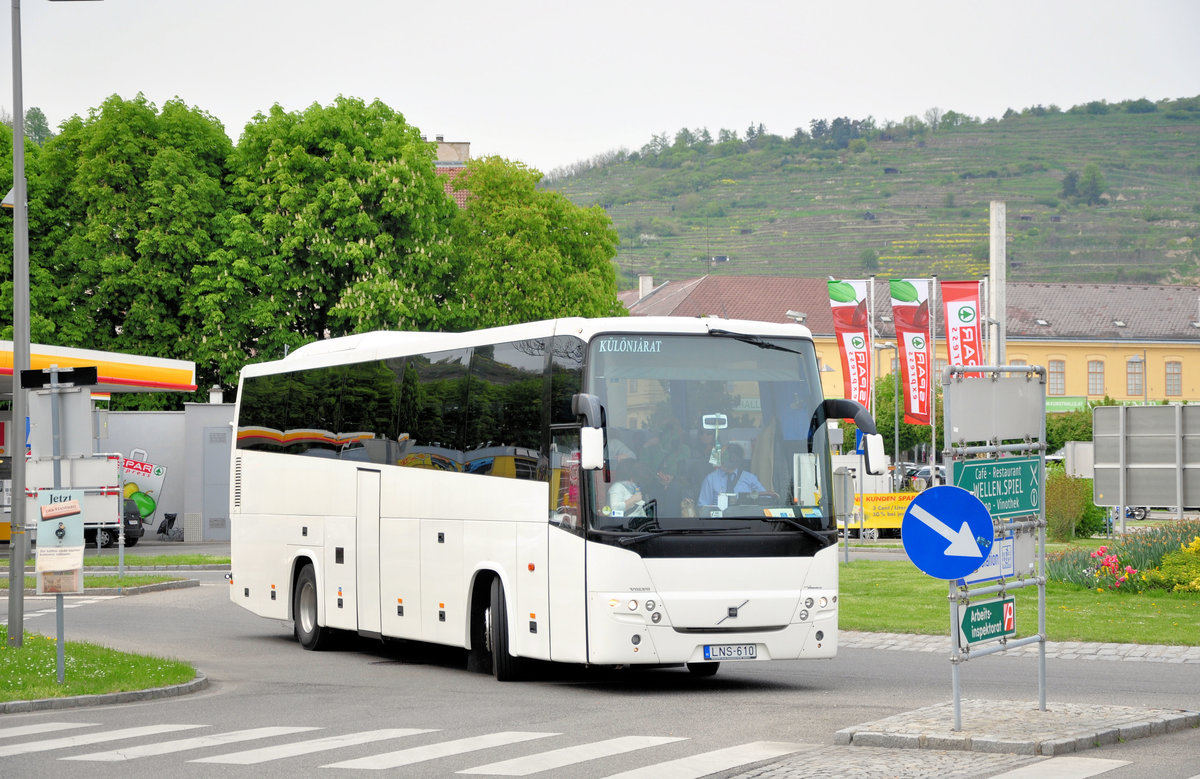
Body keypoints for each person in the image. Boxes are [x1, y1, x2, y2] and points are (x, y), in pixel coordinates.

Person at [698, 443, 767, 508]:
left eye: (724, 457)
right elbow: (703, 507)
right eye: (721, 457)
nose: (720, 460)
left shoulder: (750, 478)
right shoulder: (711, 479)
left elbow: (766, 500)